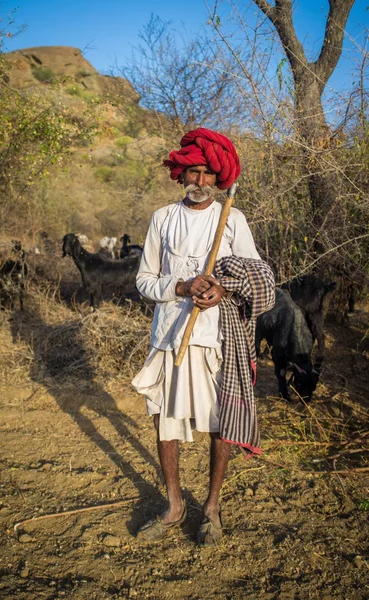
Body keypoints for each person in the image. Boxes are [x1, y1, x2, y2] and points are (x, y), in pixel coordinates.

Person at [132, 128, 275, 545]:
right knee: (165, 421)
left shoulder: (233, 218)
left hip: (216, 340)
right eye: (191, 173)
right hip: (169, 339)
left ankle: (211, 509)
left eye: (206, 174)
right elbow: (144, 280)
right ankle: (174, 505)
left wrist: (223, 289)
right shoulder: (163, 218)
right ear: (180, 176)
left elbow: (257, 273)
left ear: (218, 177)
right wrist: (180, 287)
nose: (198, 182)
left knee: (218, 424)